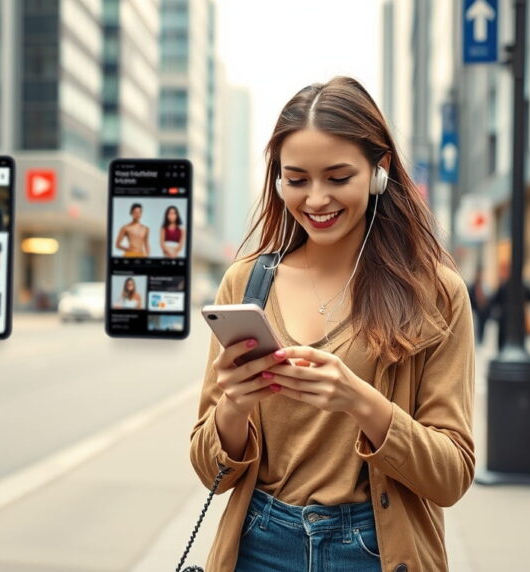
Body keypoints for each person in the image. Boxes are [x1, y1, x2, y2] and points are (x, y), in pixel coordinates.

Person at [190, 77, 475, 571]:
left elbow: (451, 475)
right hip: (259, 544)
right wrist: (234, 405)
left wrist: (359, 400)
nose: (316, 200)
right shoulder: (245, 284)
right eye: (297, 180)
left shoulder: (435, 292)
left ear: (378, 171)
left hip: (373, 549)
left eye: (338, 177)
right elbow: (209, 469)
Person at [467, 266, 487, 345]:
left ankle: (480, 339)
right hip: (474, 309)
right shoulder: (472, 286)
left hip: (482, 311)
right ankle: (476, 340)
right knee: (475, 325)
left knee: (481, 326)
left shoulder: (484, 286)